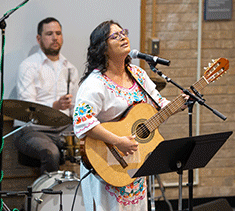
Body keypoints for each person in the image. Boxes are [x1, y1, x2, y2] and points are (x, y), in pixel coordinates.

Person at [73, 20, 187, 211]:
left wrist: (180, 104)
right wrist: (118, 140)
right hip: (105, 161)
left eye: (123, 32)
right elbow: (82, 121)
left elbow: (159, 105)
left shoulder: (138, 74)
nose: (123, 37)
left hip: (134, 161)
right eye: (115, 36)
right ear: (103, 48)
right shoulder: (95, 83)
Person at [14, 17, 79, 173]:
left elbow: (75, 108)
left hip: (63, 127)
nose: (55, 38)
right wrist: (54, 106)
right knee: (51, 153)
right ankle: (48, 197)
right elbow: (27, 108)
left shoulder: (71, 69)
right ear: (39, 38)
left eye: (58, 33)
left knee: (91, 146)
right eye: (49, 33)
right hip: (32, 129)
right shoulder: (28, 66)